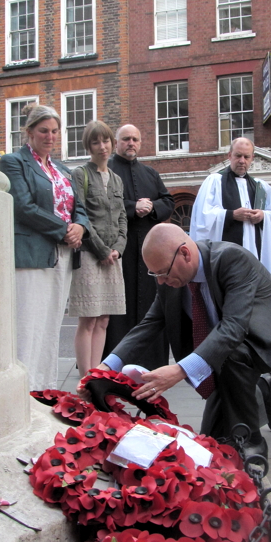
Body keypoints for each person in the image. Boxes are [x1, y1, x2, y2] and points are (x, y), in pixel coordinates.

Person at [81, 224, 271, 460]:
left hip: (266, 332)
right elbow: (150, 324)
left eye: (163, 273)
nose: (161, 282)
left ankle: (250, 443)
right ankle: (261, 389)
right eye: (154, 275)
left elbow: (233, 327)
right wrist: (105, 369)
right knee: (212, 439)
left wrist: (179, 370)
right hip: (228, 344)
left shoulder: (231, 259)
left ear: (185, 253)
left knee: (230, 356)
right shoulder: (170, 278)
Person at [189, 137, 271, 432]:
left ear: (253, 158)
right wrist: (231, 214)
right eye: (237, 156)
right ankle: (251, 394)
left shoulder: (262, 189)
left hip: (253, 275)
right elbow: (202, 220)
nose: (242, 161)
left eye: (247, 157)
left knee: (250, 332)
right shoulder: (214, 183)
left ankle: (253, 392)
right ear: (228, 155)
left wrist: (263, 217)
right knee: (227, 330)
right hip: (224, 274)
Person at [0, 104, 90, 390]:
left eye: (54, 131)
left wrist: (80, 227)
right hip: (33, 254)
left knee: (51, 325)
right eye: (43, 131)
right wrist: (64, 230)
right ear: (29, 132)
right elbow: (24, 207)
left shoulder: (63, 169)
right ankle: (23, 389)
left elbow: (80, 207)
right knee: (29, 323)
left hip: (64, 255)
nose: (50, 136)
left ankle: (45, 387)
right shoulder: (14, 162)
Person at [104, 124, 175, 370]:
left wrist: (152, 207)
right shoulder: (107, 169)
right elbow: (104, 205)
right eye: (125, 139)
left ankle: (150, 361)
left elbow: (168, 201)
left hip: (148, 251)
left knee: (150, 306)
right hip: (118, 249)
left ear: (141, 142)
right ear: (116, 142)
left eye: (135, 139)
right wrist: (134, 207)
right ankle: (113, 363)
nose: (130, 143)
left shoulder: (150, 173)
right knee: (117, 310)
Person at [69, 121, 127, 377]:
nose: (102, 147)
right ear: (88, 146)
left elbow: (123, 218)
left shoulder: (116, 179)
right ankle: (85, 380)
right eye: (96, 142)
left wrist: (118, 249)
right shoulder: (80, 175)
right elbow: (80, 216)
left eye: (105, 141)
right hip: (91, 256)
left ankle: (95, 376)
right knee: (89, 319)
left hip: (113, 258)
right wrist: (103, 250)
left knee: (103, 320)